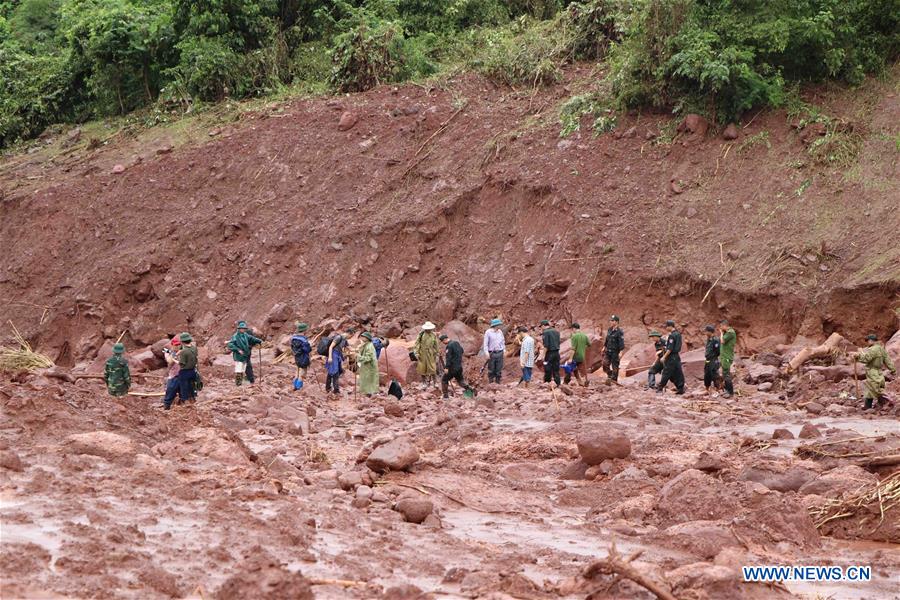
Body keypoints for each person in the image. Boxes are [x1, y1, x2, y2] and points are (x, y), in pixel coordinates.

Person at [852, 334, 897, 410]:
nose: (867, 343)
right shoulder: (881, 349)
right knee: (875, 387)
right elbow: (888, 361)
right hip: (879, 372)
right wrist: (893, 370)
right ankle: (872, 406)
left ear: (871, 341)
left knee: (872, 388)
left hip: (872, 371)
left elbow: (866, 359)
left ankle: (883, 402)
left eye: (868, 341)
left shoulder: (872, 349)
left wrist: (858, 356)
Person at [226, 320, 263, 386]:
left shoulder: (246, 334)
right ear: (239, 328)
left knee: (244, 368)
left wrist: (259, 341)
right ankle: (238, 384)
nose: (243, 330)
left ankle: (246, 381)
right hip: (239, 356)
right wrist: (237, 350)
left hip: (246, 354)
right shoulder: (236, 336)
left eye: (244, 329)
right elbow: (230, 345)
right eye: (242, 328)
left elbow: (252, 339)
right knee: (239, 369)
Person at [440, 334, 475, 398]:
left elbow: (448, 358)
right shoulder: (456, 343)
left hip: (452, 368)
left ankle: (445, 396)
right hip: (459, 367)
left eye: (443, 342)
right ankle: (470, 389)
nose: (443, 343)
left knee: (444, 380)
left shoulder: (449, 346)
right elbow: (462, 351)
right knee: (460, 381)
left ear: (445, 339)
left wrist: (446, 367)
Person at [656, 320, 685, 394]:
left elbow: (669, 349)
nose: (666, 328)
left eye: (666, 326)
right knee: (678, 372)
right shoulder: (678, 334)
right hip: (677, 356)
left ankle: (660, 387)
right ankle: (680, 388)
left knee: (666, 372)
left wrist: (664, 357)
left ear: (670, 326)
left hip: (671, 356)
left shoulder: (672, 336)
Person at [413, 322, 440, 388]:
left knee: (433, 368)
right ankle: (424, 383)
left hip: (430, 353)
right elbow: (417, 344)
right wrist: (416, 352)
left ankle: (435, 382)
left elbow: (436, 344)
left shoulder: (433, 335)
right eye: (428, 329)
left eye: (430, 329)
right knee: (422, 368)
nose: (429, 330)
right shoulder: (421, 334)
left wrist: (437, 353)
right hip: (422, 353)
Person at [603, 315, 625, 383]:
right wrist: (604, 347)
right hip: (608, 351)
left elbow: (621, 342)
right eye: (611, 320)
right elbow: (607, 339)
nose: (611, 322)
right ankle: (610, 375)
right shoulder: (609, 329)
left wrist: (621, 352)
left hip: (615, 352)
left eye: (612, 320)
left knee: (615, 366)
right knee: (605, 364)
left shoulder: (619, 331)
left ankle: (614, 380)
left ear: (617, 322)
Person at [177, 332, 198, 403]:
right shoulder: (194, 348)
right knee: (191, 387)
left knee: (184, 388)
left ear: (182, 341)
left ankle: (185, 401)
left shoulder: (184, 351)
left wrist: (174, 359)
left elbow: (182, 364)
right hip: (193, 371)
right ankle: (193, 399)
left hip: (184, 372)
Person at [483, 318, 506, 384]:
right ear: (496, 325)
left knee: (499, 368)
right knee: (491, 368)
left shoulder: (500, 332)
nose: (500, 326)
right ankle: (491, 382)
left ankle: (498, 382)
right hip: (492, 353)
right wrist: (486, 353)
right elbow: (485, 344)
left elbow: (502, 341)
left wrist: (504, 350)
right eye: (499, 324)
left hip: (500, 352)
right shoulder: (488, 332)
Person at [356, 332, 379, 396]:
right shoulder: (366, 345)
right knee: (366, 380)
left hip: (370, 367)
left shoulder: (369, 346)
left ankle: (369, 394)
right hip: (367, 367)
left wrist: (358, 357)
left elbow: (368, 358)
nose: (362, 338)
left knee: (369, 380)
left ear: (367, 338)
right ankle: (367, 393)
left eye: (363, 337)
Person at [719, 319, 737, 398]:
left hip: (727, 356)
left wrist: (721, 333)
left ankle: (730, 392)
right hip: (724, 356)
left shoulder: (730, 332)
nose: (720, 328)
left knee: (726, 374)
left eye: (721, 326)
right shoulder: (727, 332)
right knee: (724, 373)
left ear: (724, 325)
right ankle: (727, 390)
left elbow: (722, 341)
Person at [541, 320, 561, 387]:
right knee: (556, 369)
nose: (541, 328)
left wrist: (543, 355)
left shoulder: (545, 332)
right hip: (557, 353)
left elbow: (546, 345)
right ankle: (557, 383)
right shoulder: (556, 331)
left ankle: (547, 382)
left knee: (547, 368)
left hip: (549, 353)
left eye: (541, 326)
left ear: (544, 325)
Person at [162, 336, 181, 409]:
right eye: (175, 345)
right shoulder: (168, 352)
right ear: (172, 345)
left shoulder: (183, 351)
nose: (177, 346)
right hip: (173, 376)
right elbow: (169, 361)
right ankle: (166, 408)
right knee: (170, 392)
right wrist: (176, 354)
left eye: (178, 345)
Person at [703, 325, 721, 395]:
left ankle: (717, 388)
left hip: (713, 359)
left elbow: (718, 351)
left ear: (710, 332)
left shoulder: (715, 340)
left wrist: (714, 356)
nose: (705, 333)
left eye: (706, 331)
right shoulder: (709, 339)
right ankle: (707, 389)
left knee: (714, 374)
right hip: (708, 359)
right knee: (707, 374)